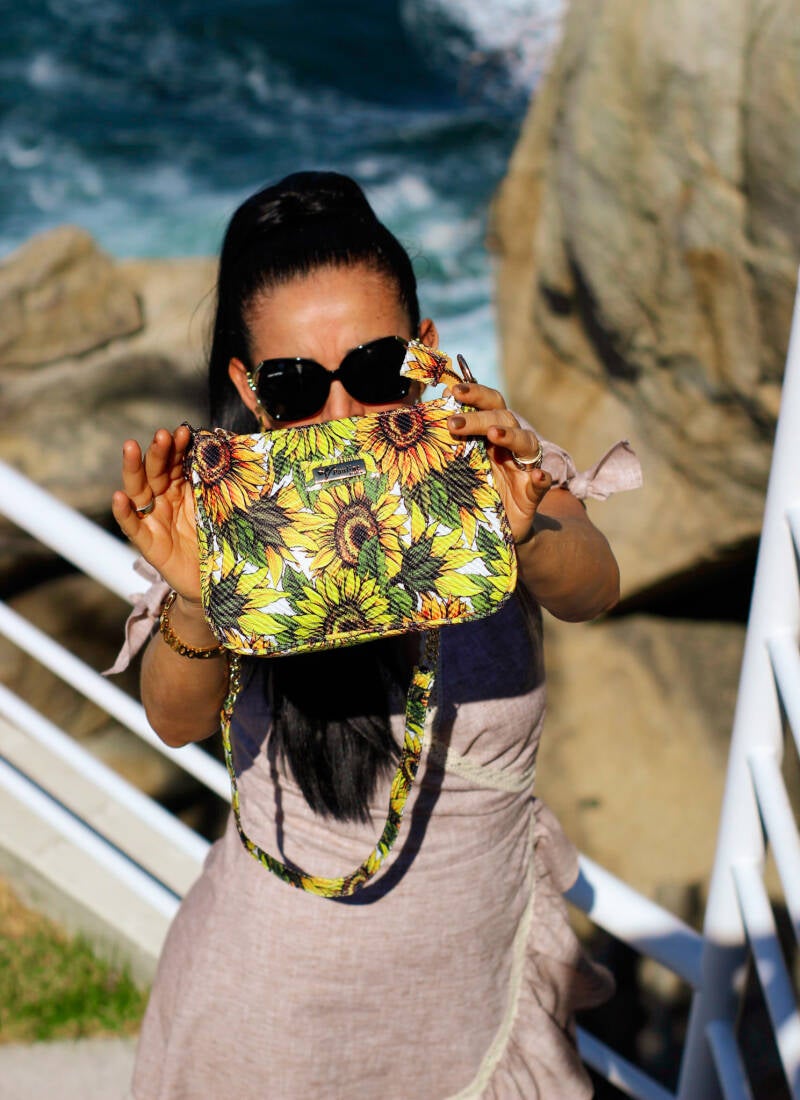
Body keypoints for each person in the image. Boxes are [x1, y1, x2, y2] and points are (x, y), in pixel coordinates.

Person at [111, 171, 638, 1098]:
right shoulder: (231, 517)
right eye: (294, 385)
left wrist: (519, 529)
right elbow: (174, 719)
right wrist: (199, 599)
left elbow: (592, 587)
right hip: (265, 1023)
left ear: (423, 349)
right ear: (248, 387)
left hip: (465, 1017)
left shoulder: (485, 460)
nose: (344, 414)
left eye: (375, 370)